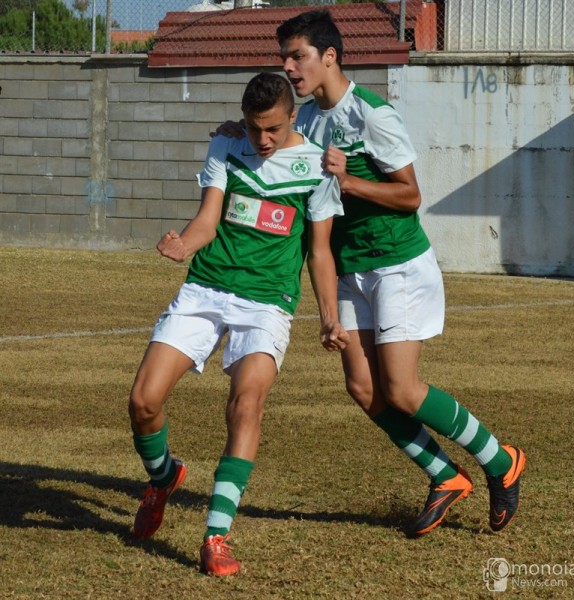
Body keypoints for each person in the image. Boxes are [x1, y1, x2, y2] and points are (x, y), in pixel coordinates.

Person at [272, 9, 526, 537]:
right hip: (351, 271)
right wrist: (243, 132)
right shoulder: (308, 121)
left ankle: (501, 460)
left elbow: (410, 196)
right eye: (285, 58)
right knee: (365, 390)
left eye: (298, 56)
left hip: (397, 265)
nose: (290, 67)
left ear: (329, 57)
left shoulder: (372, 114)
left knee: (403, 391)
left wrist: (351, 180)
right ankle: (444, 475)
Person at [128, 72, 348, 577]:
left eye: (272, 129)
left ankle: (216, 536)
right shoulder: (228, 145)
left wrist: (329, 317)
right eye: (254, 128)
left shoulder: (316, 167)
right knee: (143, 401)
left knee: (246, 403)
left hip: (267, 302)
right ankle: (163, 477)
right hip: (205, 289)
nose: (262, 140)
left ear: (294, 117)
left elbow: (318, 251)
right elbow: (208, 220)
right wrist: (184, 244)